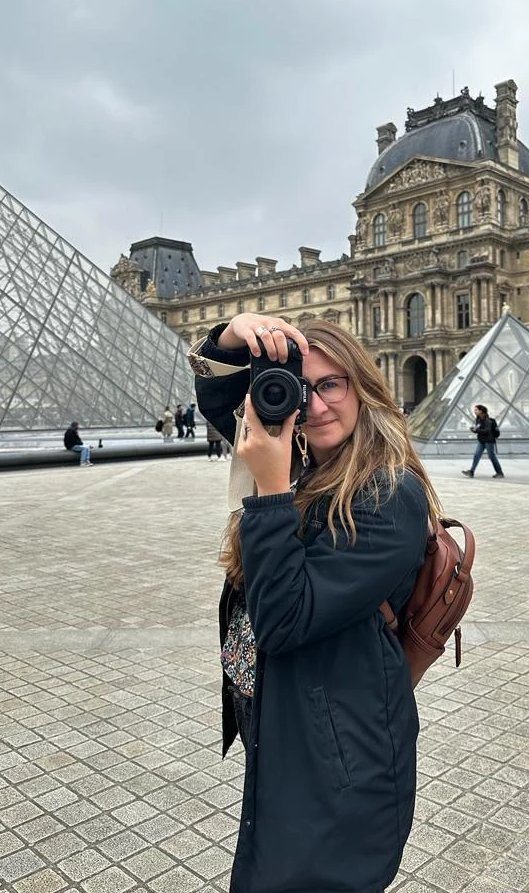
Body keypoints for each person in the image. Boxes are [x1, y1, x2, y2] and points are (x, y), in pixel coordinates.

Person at [190, 312, 443, 893]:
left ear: (363, 387)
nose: (317, 405)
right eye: (300, 389)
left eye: (331, 384)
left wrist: (271, 489)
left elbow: (284, 620)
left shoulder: (389, 494)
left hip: (340, 754)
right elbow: (219, 395)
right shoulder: (304, 456)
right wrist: (231, 335)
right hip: (294, 723)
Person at [461, 405, 504, 479]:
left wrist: (477, 430)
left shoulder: (488, 420)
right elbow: (478, 429)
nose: (474, 411)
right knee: (476, 455)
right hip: (481, 440)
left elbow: (487, 431)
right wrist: (474, 430)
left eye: (476, 410)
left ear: (481, 411)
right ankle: (471, 471)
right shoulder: (478, 419)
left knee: (492, 457)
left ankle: (499, 472)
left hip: (489, 441)